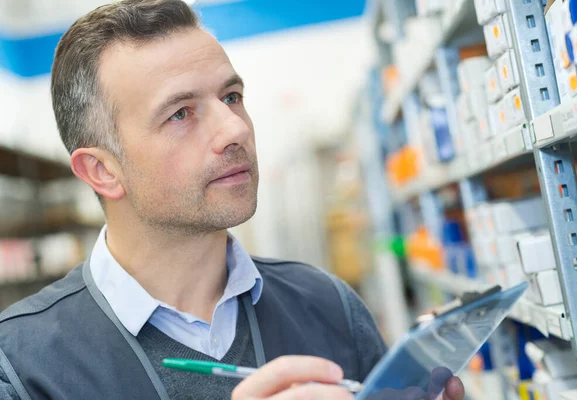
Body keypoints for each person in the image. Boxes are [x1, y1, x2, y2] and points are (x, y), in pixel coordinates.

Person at [0, 1, 465, 399]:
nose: (235, 129)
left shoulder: (329, 307)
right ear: (102, 171)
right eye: (181, 113)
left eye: (232, 96)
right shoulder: (23, 366)